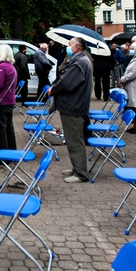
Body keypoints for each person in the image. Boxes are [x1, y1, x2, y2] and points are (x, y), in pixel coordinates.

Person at [49, 37, 93, 183]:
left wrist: (53, 89)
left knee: (74, 140)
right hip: (73, 105)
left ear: (76, 47)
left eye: (70, 44)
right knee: (73, 138)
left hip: (73, 106)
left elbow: (67, 82)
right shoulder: (79, 59)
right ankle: (77, 167)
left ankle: (81, 173)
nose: (68, 47)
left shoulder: (80, 62)